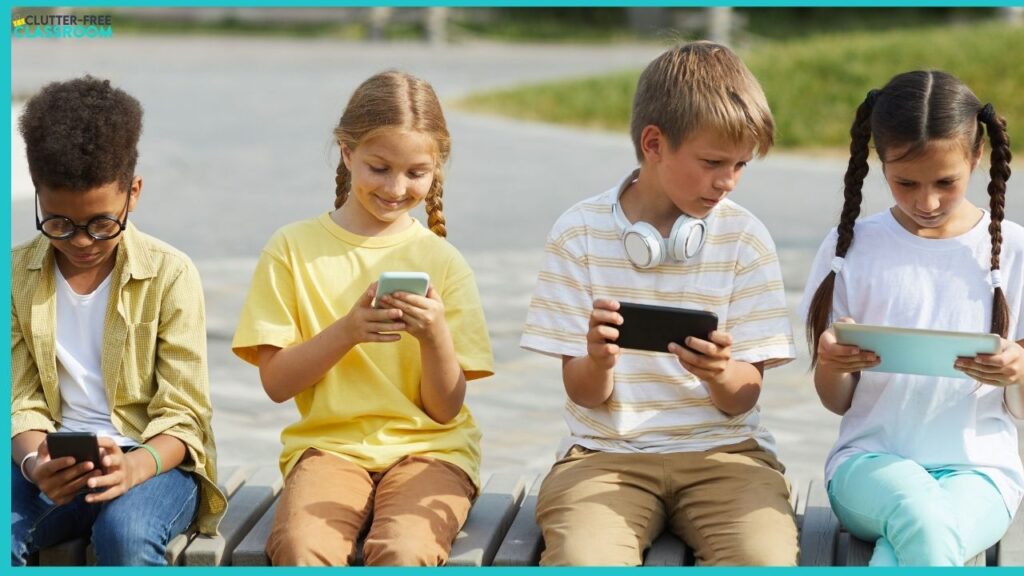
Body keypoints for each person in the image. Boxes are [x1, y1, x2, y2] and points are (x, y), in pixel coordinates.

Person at [520, 41, 798, 566]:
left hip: (726, 455)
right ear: (653, 143)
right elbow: (583, 394)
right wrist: (598, 362)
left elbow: (742, 397)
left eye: (740, 165)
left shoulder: (745, 237)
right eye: (713, 162)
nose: (728, 182)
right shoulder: (578, 233)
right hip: (604, 458)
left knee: (764, 560)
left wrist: (720, 374)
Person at [231, 71, 493, 566]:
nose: (397, 188)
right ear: (346, 154)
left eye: (416, 173)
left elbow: (445, 410)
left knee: (405, 547)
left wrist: (435, 335)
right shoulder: (292, 249)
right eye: (379, 167)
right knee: (302, 545)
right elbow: (276, 383)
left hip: (434, 452)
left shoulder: (444, 261)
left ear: (437, 170)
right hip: (330, 449)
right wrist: (347, 332)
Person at [800, 70, 1024, 566]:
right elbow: (837, 403)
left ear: (977, 156)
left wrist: (1018, 370)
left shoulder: (1015, 251)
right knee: (920, 515)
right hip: (869, 466)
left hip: (981, 472)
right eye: (906, 183)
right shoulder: (851, 249)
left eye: (946, 182)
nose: (927, 202)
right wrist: (833, 364)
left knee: (915, 539)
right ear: (880, 164)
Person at [10, 76, 224, 566]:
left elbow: (186, 414)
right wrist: (33, 461)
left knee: (125, 536)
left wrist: (134, 467)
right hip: (50, 457)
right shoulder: (14, 277)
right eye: (58, 223)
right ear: (37, 195)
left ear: (134, 193)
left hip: (155, 463)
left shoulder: (170, 274)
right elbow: (18, 397)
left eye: (102, 224)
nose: (82, 241)